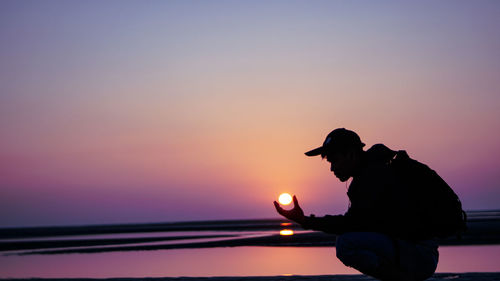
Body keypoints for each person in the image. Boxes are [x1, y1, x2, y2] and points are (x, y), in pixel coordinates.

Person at [273, 128, 439, 281]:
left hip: (420, 255)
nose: (332, 168)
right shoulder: (374, 171)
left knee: (346, 244)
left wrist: (305, 221)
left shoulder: (373, 176)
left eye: (334, 160)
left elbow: (351, 223)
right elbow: (359, 222)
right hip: (416, 251)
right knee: (349, 239)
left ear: (351, 154)